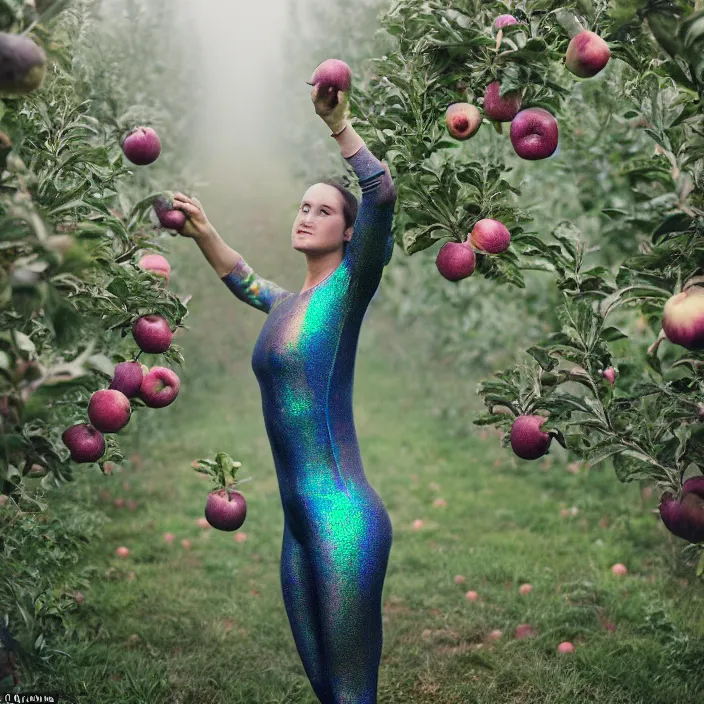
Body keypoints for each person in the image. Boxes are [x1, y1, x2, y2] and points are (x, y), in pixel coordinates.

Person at [172, 80, 397, 704]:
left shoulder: (349, 289)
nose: (307, 216)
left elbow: (380, 193)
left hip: (343, 519)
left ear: (350, 235)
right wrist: (204, 231)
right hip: (298, 526)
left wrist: (338, 124)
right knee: (328, 690)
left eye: (324, 211)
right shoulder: (288, 304)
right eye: (303, 207)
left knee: (352, 695)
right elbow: (245, 282)